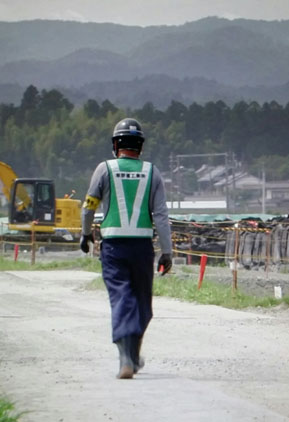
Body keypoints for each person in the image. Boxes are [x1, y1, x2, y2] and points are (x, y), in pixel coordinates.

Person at [80, 117, 173, 379]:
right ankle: (131, 355)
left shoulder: (104, 170)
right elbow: (162, 216)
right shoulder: (152, 172)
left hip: (113, 249)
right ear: (140, 146)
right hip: (143, 248)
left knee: (122, 297)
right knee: (143, 304)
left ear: (115, 144)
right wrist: (167, 252)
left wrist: (85, 233)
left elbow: (88, 206)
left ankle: (126, 359)